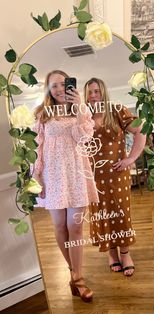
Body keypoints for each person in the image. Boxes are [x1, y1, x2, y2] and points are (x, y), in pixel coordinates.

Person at [33, 70, 98, 302]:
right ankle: (75, 273)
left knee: (76, 227)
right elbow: (37, 148)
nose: (60, 89)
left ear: (71, 86)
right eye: (54, 86)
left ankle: (78, 279)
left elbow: (84, 138)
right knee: (60, 226)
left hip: (77, 175)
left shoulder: (82, 110)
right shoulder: (42, 115)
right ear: (48, 91)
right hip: (52, 176)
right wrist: (36, 176)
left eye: (64, 84)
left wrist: (80, 107)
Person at [84, 77, 146, 276]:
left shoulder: (117, 110)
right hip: (94, 178)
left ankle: (125, 253)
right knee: (102, 215)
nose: (93, 95)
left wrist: (131, 158)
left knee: (120, 213)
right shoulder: (83, 116)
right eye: (89, 92)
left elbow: (141, 130)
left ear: (103, 92)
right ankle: (112, 253)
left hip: (118, 175)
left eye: (96, 91)